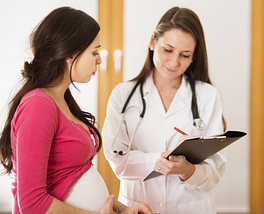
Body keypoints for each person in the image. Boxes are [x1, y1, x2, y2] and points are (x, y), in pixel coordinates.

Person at [0, 7, 152, 214]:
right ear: (71, 54)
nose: (99, 59)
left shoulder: (62, 100)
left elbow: (75, 174)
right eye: (95, 51)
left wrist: (124, 209)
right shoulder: (38, 105)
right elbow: (32, 204)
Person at [102, 6, 227, 214]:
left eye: (185, 55)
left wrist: (188, 171)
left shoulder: (207, 96)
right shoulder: (123, 95)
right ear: (152, 41)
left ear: (194, 57)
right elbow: (117, 160)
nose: (174, 62)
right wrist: (163, 158)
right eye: (167, 50)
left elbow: (215, 171)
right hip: (137, 205)